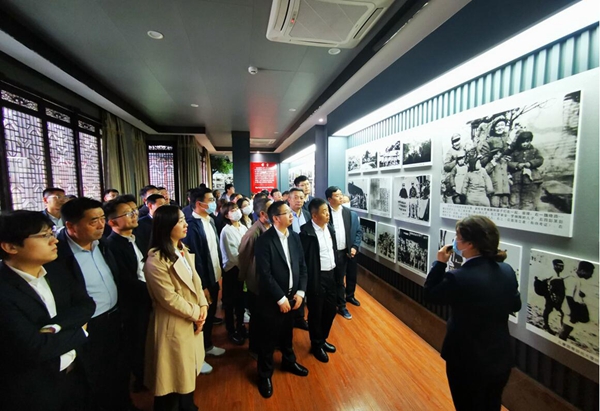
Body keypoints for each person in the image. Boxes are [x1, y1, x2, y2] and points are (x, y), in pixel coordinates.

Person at [424, 215, 521, 411]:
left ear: (469, 244)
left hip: (466, 360)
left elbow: (430, 295)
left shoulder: (458, 277)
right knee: (491, 405)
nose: (455, 241)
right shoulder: (507, 270)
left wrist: (440, 263)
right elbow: (516, 305)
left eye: (457, 237)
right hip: (499, 358)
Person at [0, 210, 95, 411]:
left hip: (75, 372)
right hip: (34, 388)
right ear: (10, 247)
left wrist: (55, 327)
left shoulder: (56, 269)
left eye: (51, 233)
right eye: (44, 236)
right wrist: (80, 331)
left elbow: (86, 305)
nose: (54, 240)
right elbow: (35, 348)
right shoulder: (4, 290)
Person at [45, 197, 130, 411]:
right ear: (71, 226)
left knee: (119, 369)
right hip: (88, 325)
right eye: (93, 221)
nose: (101, 224)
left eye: (102, 218)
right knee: (94, 376)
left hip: (115, 317)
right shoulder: (57, 256)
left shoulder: (103, 244)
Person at [144, 206, 209, 411]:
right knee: (171, 378)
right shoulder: (156, 259)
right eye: (180, 221)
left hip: (191, 319)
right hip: (172, 323)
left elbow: (196, 282)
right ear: (166, 226)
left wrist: (203, 305)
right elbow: (168, 298)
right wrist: (196, 313)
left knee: (185, 373)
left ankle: (187, 406)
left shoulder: (182, 250)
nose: (185, 224)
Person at [254, 201, 309, 398]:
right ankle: (264, 375)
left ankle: (288, 361)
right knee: (268, 339)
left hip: (293, 297)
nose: (291, 214)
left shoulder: (294, 237)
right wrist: (280, 298)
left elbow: (302, 266)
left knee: (287, 334)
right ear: (276, 218)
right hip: (272, 300)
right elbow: (265, 274)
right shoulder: (264, 241)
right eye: (287, 213)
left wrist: (301, 292)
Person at [104, 197, 150, 392]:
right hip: (134, 303)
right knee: (138, 342)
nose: (134, 215)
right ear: (112, 222)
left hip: (149, 296)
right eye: (128, 213)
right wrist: (153, 290)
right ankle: (142, 378)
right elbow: (125, 279)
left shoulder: (138, 237)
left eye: (134, 210)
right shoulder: (111, 246)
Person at [183, 187, 225, 374]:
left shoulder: (210, 220)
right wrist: (203, 286)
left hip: (214, 275)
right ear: (199, 203)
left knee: (209, 316)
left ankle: (207, 346)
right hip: (203, 281)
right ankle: (197, 358)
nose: (214, 203)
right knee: (200, 319)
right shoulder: (192, 225)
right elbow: (196, 259)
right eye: (211, 200)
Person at [300, 198, 338, 363]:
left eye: (328, 211)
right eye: (324, 212)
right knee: (316, 313)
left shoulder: (330, 228)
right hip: (316, 277)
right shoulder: (306, 233)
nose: (328, 214)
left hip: (331, 275)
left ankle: (322, 339)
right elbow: (303, 260)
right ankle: (316, 344)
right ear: (314, 216)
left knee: (331, 310)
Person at [238, 197, 273, 357]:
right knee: (257, 317)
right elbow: (244, 257)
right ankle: (255, 348)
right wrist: (245, 280)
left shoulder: (269, 227)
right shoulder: (253, 232)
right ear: (263, 214)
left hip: (267, 282)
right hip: (256, 282)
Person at [326, 186, 361, 319]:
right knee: (333, 280)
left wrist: (353, 247)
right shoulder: (325, 212)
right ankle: (334, 304)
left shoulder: (348, 213)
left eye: (341, 194)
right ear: (329, 199)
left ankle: (342, 305)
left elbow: (356, 231)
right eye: (337, 195)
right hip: (330, 252)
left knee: (342, 279)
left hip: (345, 252)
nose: (340, 197)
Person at [219, 201, 248, 345]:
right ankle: (231, 329)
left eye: (237, 208)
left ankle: (240, 325)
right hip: (232, 269)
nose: (237, 211)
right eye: (232, 210)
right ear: (226, 215)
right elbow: (233, 255)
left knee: (241, 301)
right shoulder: (226, 231)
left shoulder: (243, 227)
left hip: (243, 268)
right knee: (231, 301)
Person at [287, 187, 310, 330]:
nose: (299, 200)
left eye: (301, 198)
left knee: (303, 284)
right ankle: (291, 317)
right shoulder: (285, 215)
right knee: (293, 285)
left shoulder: (307, 214)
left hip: (306, 254)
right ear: (289, 199)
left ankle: (300, 317)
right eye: (295, 197)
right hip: (291, 254)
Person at [558, 261, 595, 341]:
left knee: (567, 327)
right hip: (569, 308)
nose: (591, 276)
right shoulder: (572, 279)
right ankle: (561, 338)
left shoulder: (575, 278)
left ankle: (562, 334)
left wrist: (579, 293)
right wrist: (573, 313)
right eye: (590, 273)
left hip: (569, 307)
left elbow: (570, 291)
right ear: (582, 271)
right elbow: (569, 296)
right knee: (567, 328)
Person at [507, 131, 544, 210]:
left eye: (527, 141)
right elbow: (509, 162)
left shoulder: (534, 151)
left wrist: (530, 163)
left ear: (530, 141)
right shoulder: (515, 152)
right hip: (516, 179)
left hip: (530, 179)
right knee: (514, 199)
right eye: (522, 142)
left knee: (528, 199)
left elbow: (540, 160)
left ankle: (526, 212)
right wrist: (517, 165)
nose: (524, 144)